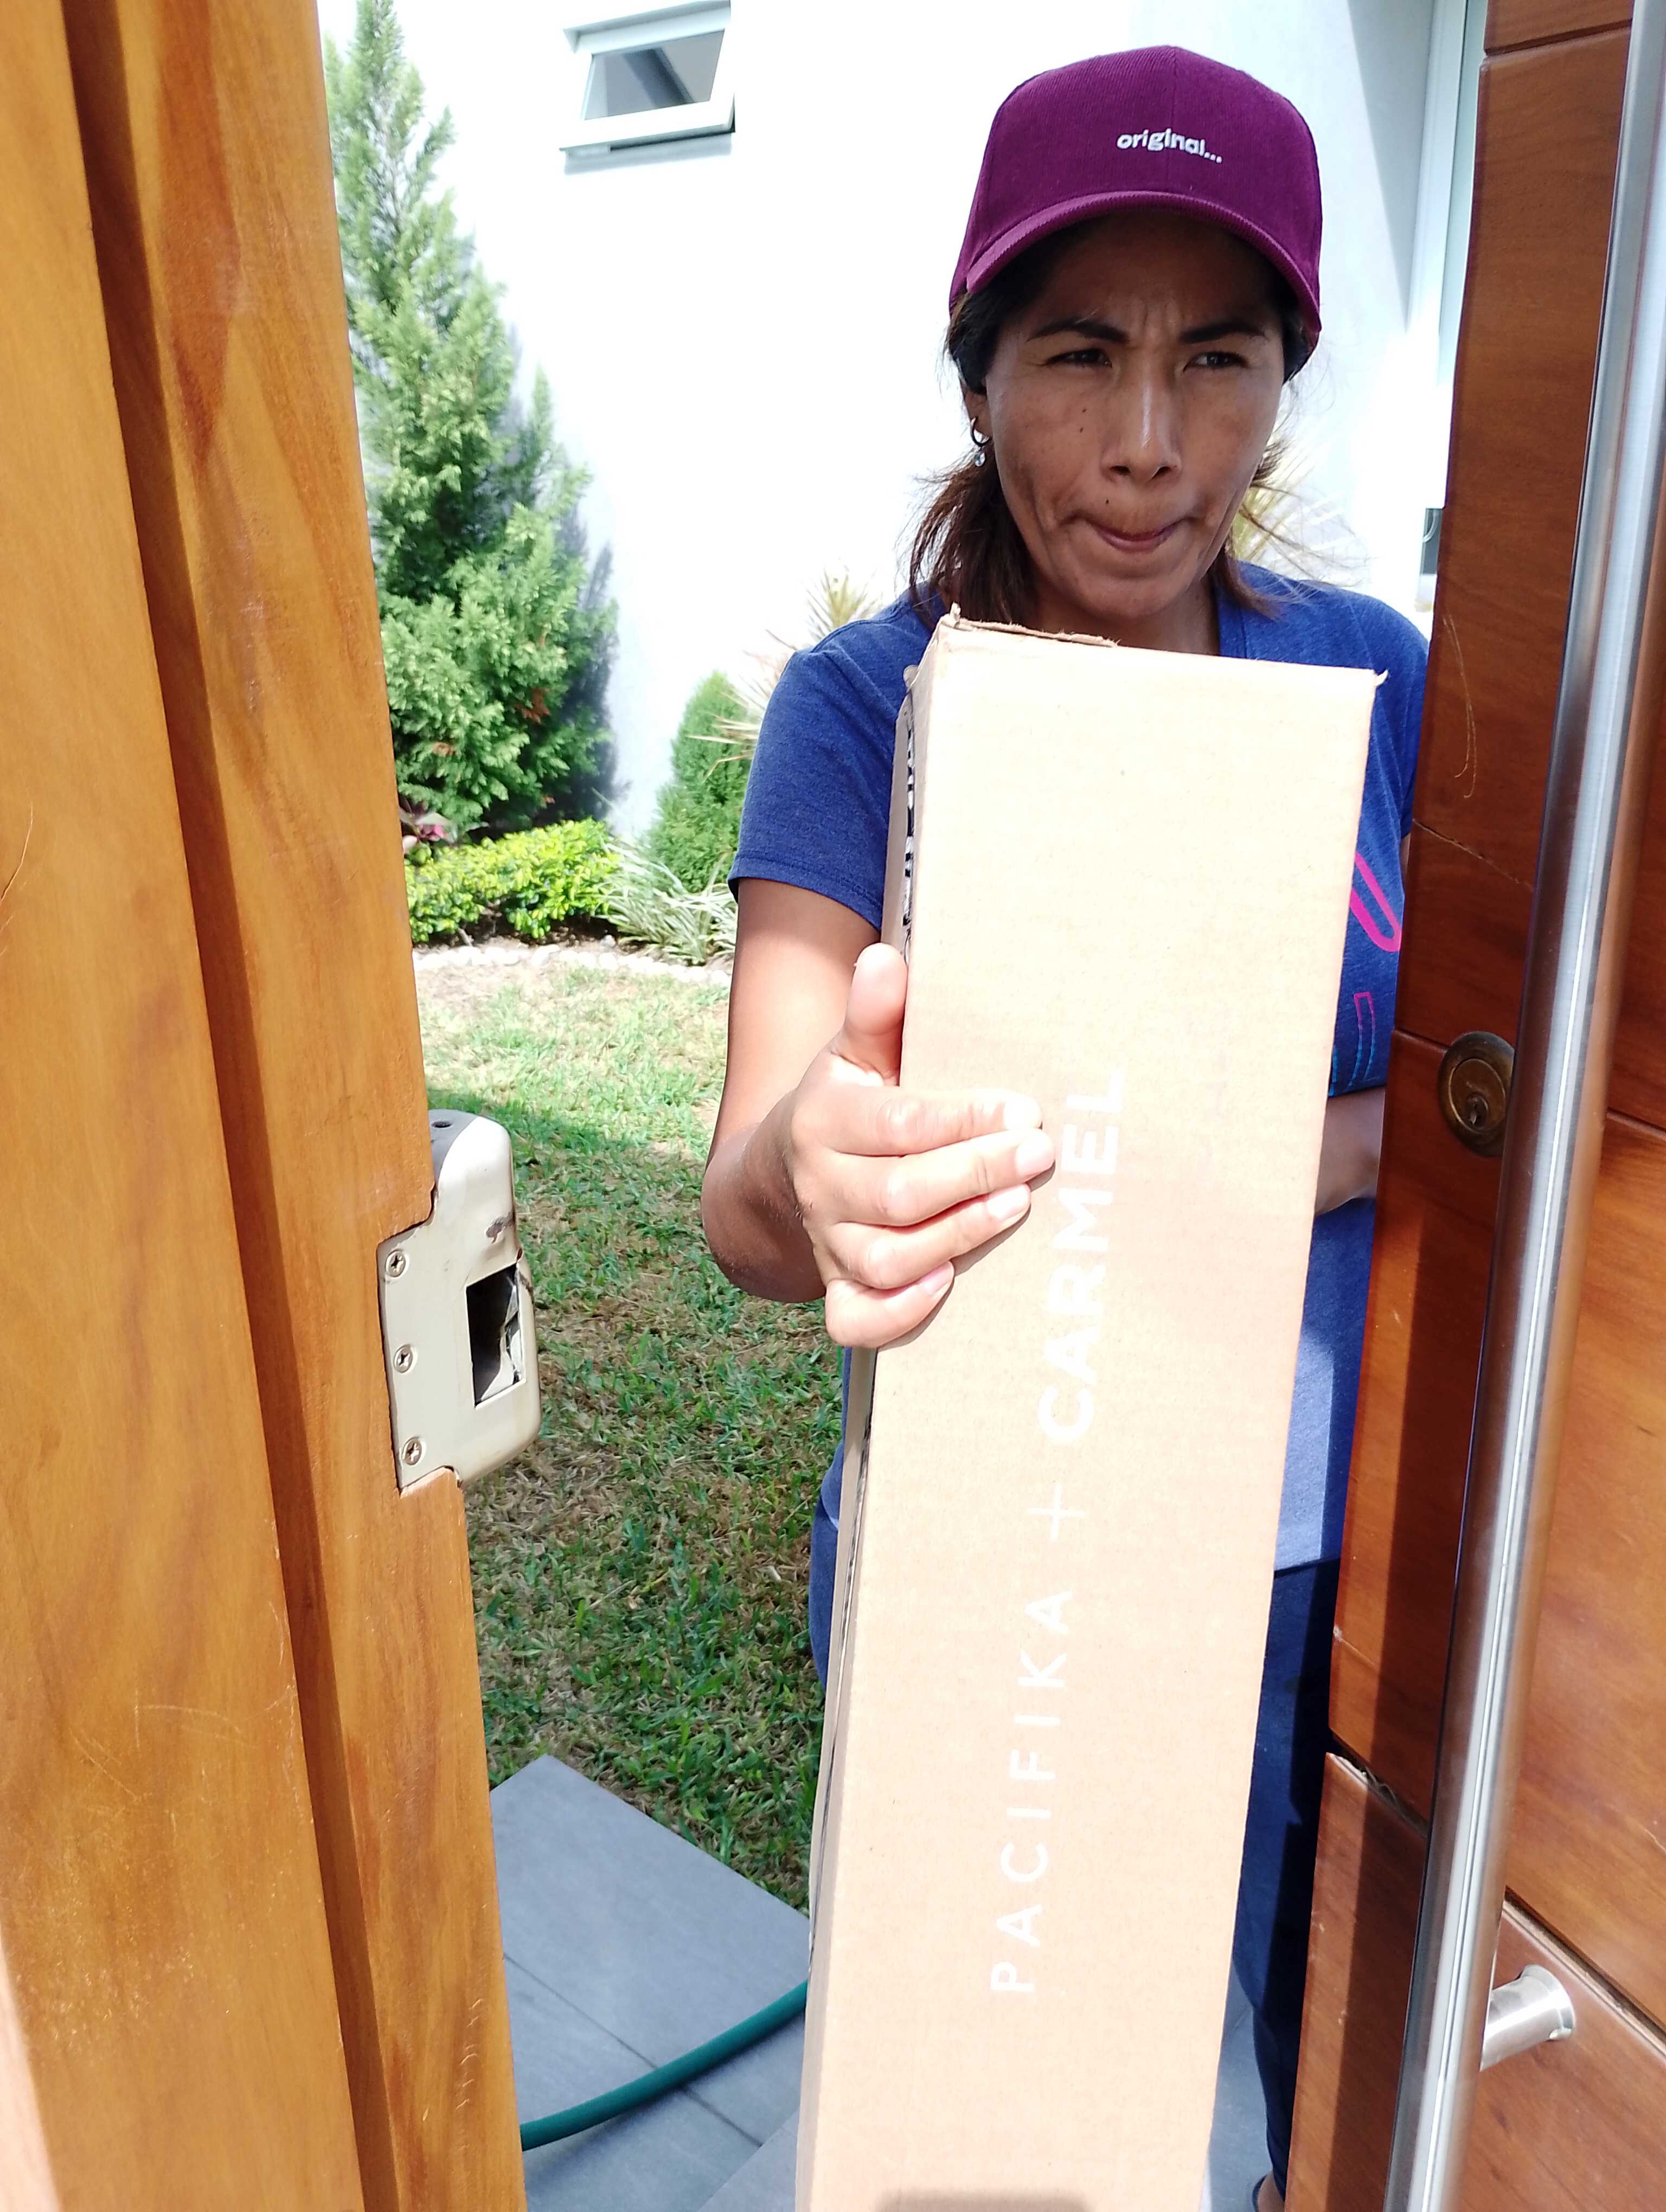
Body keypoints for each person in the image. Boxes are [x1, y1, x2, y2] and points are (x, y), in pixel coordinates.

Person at [701, 46, 1424, 2212]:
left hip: (1342, 1570)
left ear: (1283, 386)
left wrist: (1303, 1145)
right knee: (996, 2128)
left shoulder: (1375, 685)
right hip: (1007, 1570)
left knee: (1322, 2105)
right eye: (1080, 353)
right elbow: (752, 1196)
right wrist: (822, 1165)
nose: (1146, 443)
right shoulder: (869, 709)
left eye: (1218, 359)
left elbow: (1487, 1091)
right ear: (981, 378)